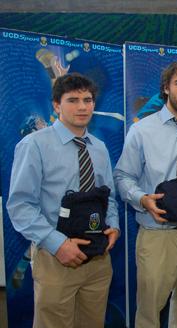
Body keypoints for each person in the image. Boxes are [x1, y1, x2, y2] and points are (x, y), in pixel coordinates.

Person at [7, 73, 120, 327]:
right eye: (73, 100)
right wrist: (57, 244)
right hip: (56, 258)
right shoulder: (34, 145)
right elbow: (20, 206)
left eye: (88, 100)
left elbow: (108, 197)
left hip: (98, 258)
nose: (82, 107)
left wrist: (113, 225)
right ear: (56, 105)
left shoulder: (99, 147)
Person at [113, 61, 177, 328]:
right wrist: (142, 199)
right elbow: (123, 176)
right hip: (158, 235)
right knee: (149, 311)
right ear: (165, 89)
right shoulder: (142, 130)